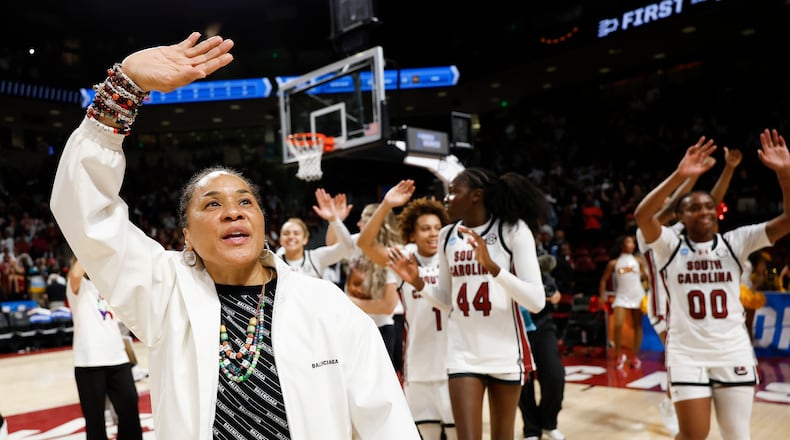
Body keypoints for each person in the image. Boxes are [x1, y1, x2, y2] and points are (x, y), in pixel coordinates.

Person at [50, 32, 418, 439]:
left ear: (262, 222)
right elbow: (83, 211)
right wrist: (127, 85)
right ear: (186, 236)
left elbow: (386, 420)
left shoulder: (325, 304)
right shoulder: (163, 292)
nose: (231, 211)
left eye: (245, 202)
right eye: (211, 204)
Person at [633, 130, 790, 440]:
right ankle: (673, 400)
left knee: (737, 435)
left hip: (731, 351)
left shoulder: (735, 241)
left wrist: (784, 174)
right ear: (680, 215)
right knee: (694, 434)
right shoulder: (666, 242)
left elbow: (785, 218)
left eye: (709, 208)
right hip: (682, 341)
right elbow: (644, 214)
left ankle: (672, 399)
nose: (705, 210)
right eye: (694, 208)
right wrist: (681, 176)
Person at [403, 167, 547, 440]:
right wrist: (419, 283)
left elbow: (537, 301)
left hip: (505, 353)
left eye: (454, 192)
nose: (446, 198)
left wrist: (494, 269)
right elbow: (447, 299)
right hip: (462, 353)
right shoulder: (448, 235)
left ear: (476, 196)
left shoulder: (512, 230)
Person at [636, 145, 741, 436]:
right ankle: (673, 406)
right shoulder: (648, 231)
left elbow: (713, 201)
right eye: (669, 203)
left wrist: (728, 169)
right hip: (664, 309)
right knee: (681, 360)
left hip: (687, 306)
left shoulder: (685, 230)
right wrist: (690, 176)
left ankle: (680, 404)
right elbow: (671, 208)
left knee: (692, 363)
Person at [357, 180, 457, 440]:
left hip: (454, 366)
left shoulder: (453, 255)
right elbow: (366, 244)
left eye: (437, 227)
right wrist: (387, 205)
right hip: (419, 368)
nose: (433, 233)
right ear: (412, 234)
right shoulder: (404, 256)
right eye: (425, 228)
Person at [66, 257, 142, 440]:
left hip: (118, 358)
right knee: (95, 421)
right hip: (90, 362)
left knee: (130, 408)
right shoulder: (77, 288)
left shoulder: (108, 289)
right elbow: (76, 274)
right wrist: (88, 248)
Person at [518, 254, 566, 440]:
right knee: (523, 382)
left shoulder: (537, 271)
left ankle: (548, 423)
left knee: (555, 376)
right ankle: (531, 429)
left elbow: (556, 296)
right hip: (515, 331)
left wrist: (545, 296)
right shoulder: (502, 270)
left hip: (542, 328)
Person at [276, 188, 355, 278]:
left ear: (305, 239)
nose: (291, 236)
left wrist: (335, 220)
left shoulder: (316, 257)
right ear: (280, 240)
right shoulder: (274, 261)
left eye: (296, 233)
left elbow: (348, 247)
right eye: (286, 233)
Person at [598, 235, 648, 370]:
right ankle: (619, 355)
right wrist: (602, 295)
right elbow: (603, 280)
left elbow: (645, 277)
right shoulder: (614, 263)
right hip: (621, 295)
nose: (631, 244)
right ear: (622, 245)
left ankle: (635, 356)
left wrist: (645, 276)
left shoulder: (638, 261)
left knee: (638, 326)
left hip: (637, 295)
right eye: (628, 241)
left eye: (632, 242)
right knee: (618, 325)